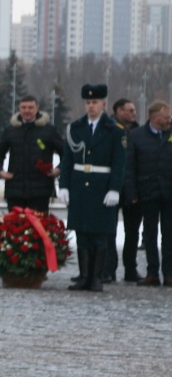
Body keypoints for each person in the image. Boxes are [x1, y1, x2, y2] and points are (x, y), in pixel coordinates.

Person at [59, 84, 128, 293]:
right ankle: (84, 276)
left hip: (102, 186)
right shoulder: (75, 128)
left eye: (95, 102)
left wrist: (114, 189)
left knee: (99, 235)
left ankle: (97, 277)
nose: (91, 106)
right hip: (80, 185)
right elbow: (67, 159)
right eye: (88, 102)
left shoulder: (115, 130)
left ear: (103, 104)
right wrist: (63, 185)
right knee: (82, 234)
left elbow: (119, 162)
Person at [125, 100, 172, 286]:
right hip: (147, 192)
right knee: (150, 235)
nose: (169, 120)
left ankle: (169, 273)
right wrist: (131, 193)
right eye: (166, 117)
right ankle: (152, 272)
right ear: (155, 118)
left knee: (169, 235)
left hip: (169, 192)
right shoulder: (137, 136)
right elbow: (129, 167)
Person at [0, 95, 62, 214]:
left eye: (30, 107)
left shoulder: (49, 130)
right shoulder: (10, 130)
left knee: (38, 229)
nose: (27, 111)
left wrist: (58, 170)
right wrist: (0, 171)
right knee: (15, 228)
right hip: (15, 190)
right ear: (19, 109)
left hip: (41, 191)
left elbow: (66, 154)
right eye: (24, 107)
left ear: (37, 108)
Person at [112, 98, 142, 282]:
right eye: (129, 110)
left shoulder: (138, 132)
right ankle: (109, 268)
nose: (133, 114)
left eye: (134, 110)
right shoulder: (108, 129)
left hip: (133, 188)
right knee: (109, 231)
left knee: (133, 232)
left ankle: (130, 269)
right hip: (112, 187)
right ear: (118, 111)